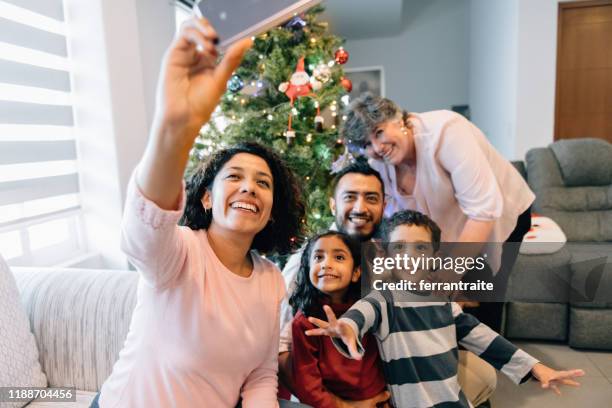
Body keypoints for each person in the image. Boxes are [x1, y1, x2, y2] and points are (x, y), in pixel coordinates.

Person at [92, 17, 306, 408]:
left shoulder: (271, 280)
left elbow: (259, 374)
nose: (249, 187)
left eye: (263, 183)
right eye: (235, 177)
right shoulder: (180, 254)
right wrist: (175, 130)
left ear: (272, 210)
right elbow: (144, 228)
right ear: (207, 198)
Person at [306, 210, 585, 408]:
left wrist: (535, 367)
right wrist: (346, 327)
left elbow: (486, 340)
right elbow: (360, 315)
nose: (410, 257)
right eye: (400, 247)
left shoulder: (444, 304)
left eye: (420, 248)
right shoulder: (383, 299)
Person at [278, 162, 497, 407]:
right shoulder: (307, 263)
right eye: (350, 197)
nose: (360, 207)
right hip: (337, 389)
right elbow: (282, 351)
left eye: (371, 198)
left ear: (384, 205)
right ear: (333, 204)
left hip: (392, 372)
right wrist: (343, 405)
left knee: (481, 375)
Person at [341, 94, 535, 331]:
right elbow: (392, 222)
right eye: (366, 144)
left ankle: (490, 360)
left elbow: (483, 212)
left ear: (398, 120)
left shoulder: (447, 132)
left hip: (500, 213)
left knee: (482, 290)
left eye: (379, 132)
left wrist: (448, 276)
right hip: (447, 225)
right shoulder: (377, 164)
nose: (377, 147)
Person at [289, 231, 388, 407]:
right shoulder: (304, 322)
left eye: (339, 257)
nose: (326, 264)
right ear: (308, 269)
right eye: (318, 257)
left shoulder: (371, 308)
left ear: (356, 272)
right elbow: (307, 384)